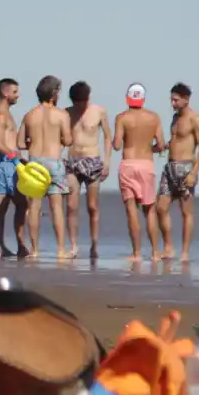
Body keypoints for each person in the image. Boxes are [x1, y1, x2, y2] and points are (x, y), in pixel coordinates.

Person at [18, 76, 74, 259]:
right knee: (56, 206)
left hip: (34, 161)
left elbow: (19, 143)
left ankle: (34, 250)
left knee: (34, 206)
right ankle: (60, 250)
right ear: (54, 93)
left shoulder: (29, 115)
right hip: (53, 159)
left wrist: (32, 142)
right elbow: (68, 140)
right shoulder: (62, 115)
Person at [112, 84, 167, 263]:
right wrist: (148, 147)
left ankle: (136, 254)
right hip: (146, 164)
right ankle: (155, 253)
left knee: (131, 210)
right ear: (143, 99)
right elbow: (161, 144)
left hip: (128, 164)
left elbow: (117, 144)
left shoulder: (122, 118)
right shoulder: (154, 118)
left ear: (128, 98)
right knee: (150, 209)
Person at [155, 83, 199, 262]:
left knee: (186, 212)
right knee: (160, 207)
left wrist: (194, 172)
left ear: (186, 99)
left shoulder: (195, 119)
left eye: (176, 100)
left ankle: (185, 252)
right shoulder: (175, 118)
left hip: (186, 169)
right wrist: (160, 147)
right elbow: (175, 141)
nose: (173, 103)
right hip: (170, 167)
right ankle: (168, 247)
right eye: (171, 99)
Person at [64, 82, 114, 260]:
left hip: (93, 160)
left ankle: (94, 245)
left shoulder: (98, 111)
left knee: (92, 206)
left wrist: (107, 162)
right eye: (77, 102)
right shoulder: (67, 113)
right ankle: (73, 245)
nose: (80, 106)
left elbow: (108, 136)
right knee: (71, 206)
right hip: (73, 160)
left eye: (82, 102)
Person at [0, 78, 28, 258]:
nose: (17, 95)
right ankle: (15, 245)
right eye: (14, 92)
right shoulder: (0, 115)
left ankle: (4, 245)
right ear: (5, 93)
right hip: (6, 163)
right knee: (19, 204)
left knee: (6, 204)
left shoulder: (6, 114)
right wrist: (14, 158)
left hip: (9, 162)